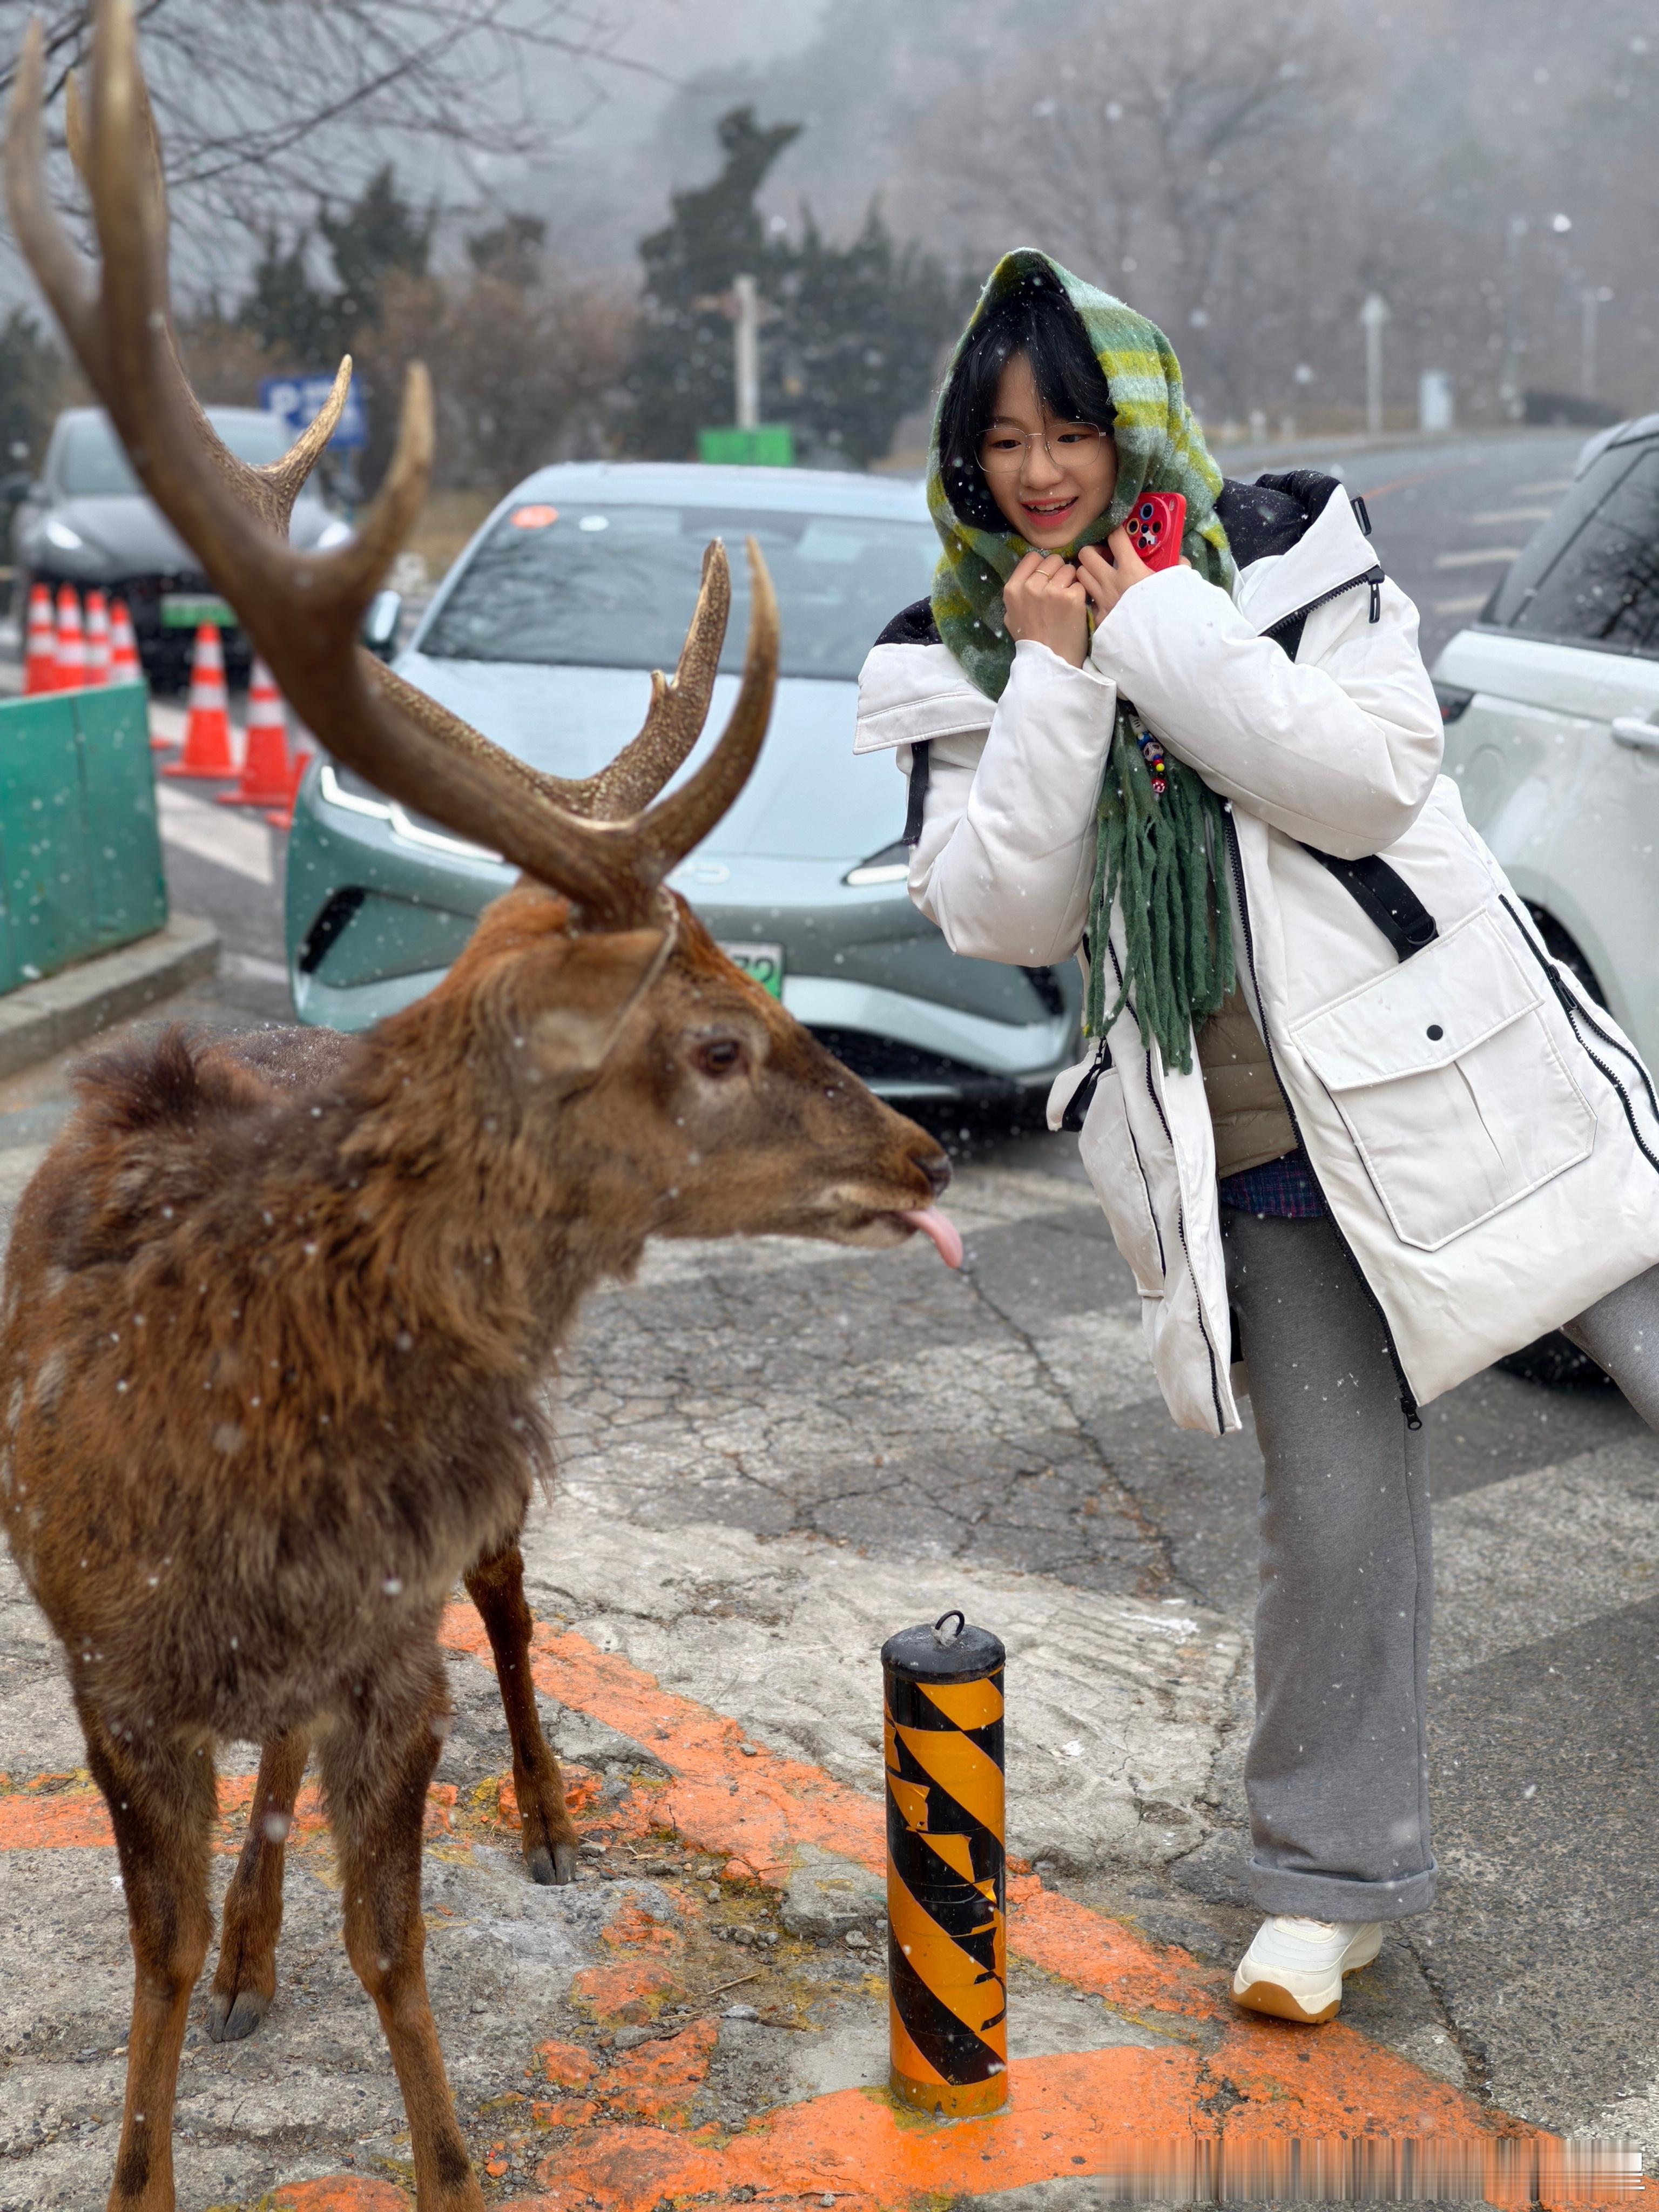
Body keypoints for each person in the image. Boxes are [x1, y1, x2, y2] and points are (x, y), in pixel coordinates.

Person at [854, 247, 1659, 2025]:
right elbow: (1005, 907)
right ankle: (1326, 1882)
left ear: (1135, 418)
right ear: (963, 457)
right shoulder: (956, 653)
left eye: (1072, 424)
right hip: (1243, 1155)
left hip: (1462, 1080)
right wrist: (1064, 674)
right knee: (1341, 1509)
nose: (1043, 467)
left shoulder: (1293, 548)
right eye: (1005, 438)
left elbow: (1363, 778)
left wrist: (1150, 622)